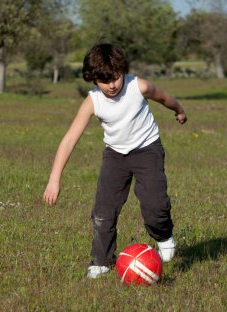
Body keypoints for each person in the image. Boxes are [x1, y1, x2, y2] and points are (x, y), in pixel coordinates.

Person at [43, 43, 187, 279]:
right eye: (104, 80)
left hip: (147, 149)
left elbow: (164, 98)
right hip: (115, 155)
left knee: (155, 204)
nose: (111, 85)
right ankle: (101, 261)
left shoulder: (138, 86)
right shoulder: (93, 101)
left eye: (116, 77)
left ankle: (163, 236)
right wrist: (54, 179)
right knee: (103, 211)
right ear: (93, 79)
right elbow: (69, 139)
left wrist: (179, 111)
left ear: (123, 71)